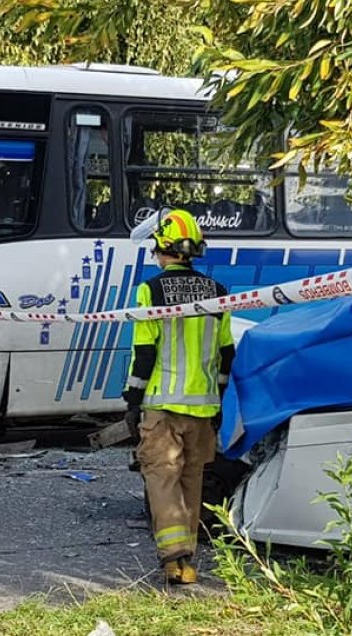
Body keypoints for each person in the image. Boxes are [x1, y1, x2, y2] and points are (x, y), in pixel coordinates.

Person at [122, 208, 235, 585]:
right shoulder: (218, 293)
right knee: (191, 481)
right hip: (203, 408)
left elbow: (145, 352)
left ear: (162, 248)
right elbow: (227, 354)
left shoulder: (150, 291)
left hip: (162, 406)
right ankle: (187, 561)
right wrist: (218, 399)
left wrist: (133, 400)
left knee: (162, 478)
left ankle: (174, 558)